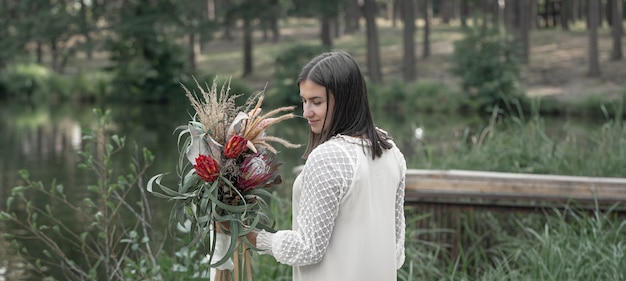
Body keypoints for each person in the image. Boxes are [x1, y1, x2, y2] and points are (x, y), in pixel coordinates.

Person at [247, 50, 407, 281]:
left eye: (316, 102)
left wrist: (252, 236)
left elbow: (308, 248)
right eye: (303, 100)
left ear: (345, 99)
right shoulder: (391, 151)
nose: (306, 112)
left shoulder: (330, 156)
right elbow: (396, 248)